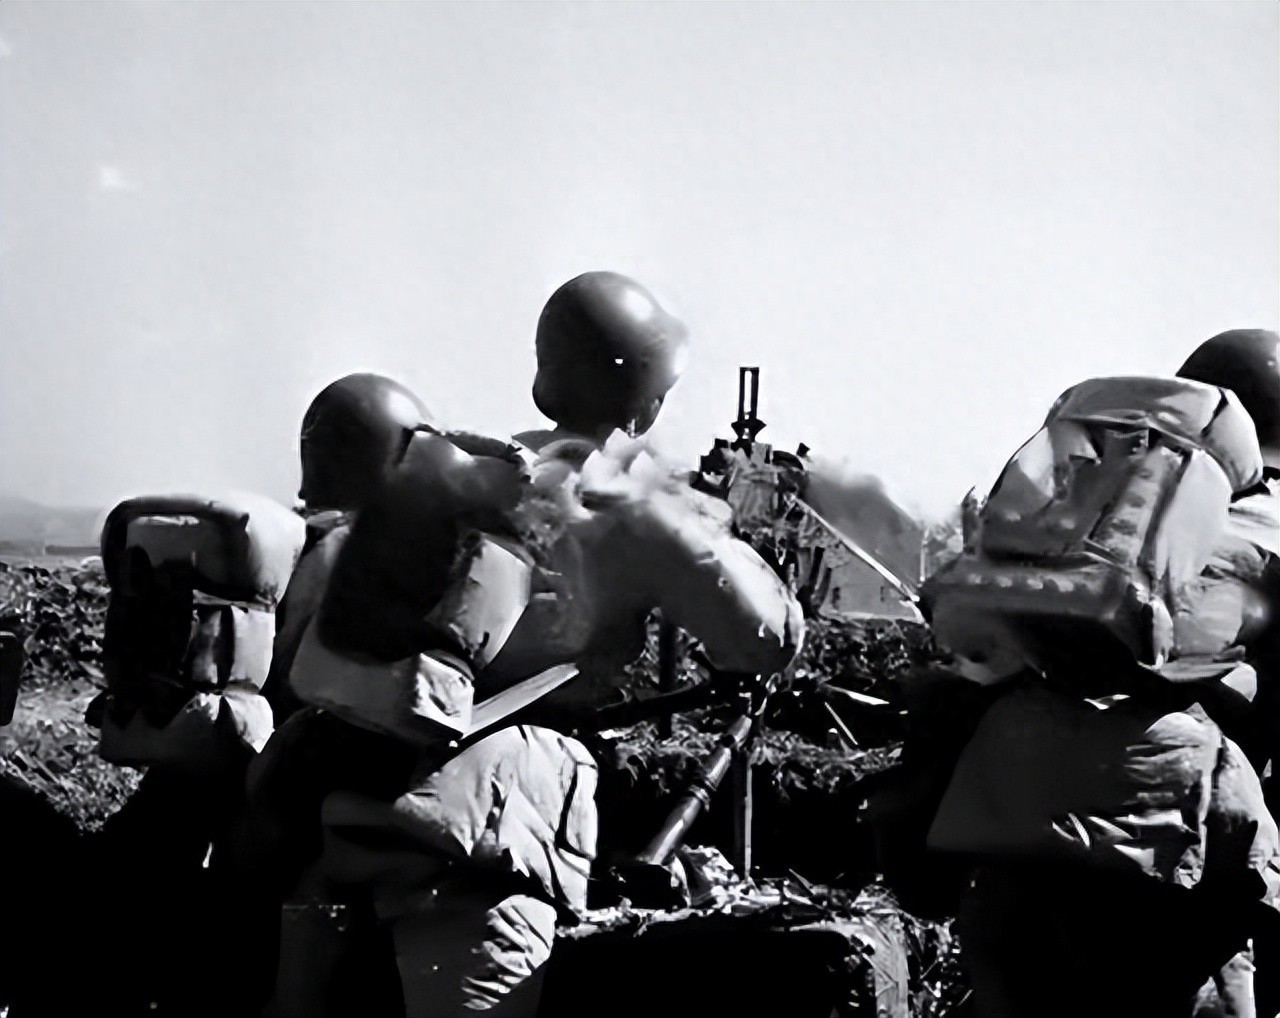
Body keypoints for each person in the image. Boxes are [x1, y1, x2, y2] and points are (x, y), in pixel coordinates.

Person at [248, 272, 804, 1018]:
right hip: (480, 834)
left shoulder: (471, 470)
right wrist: (707, 520)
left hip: (346, 797)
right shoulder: (627, 503)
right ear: (646, 395)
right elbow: (764, 641)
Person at [904, 357, 1279, 1018]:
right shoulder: (1262, 537)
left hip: (1011, 857)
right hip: (1178, 858)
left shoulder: (1087, 516)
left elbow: (921, 879)